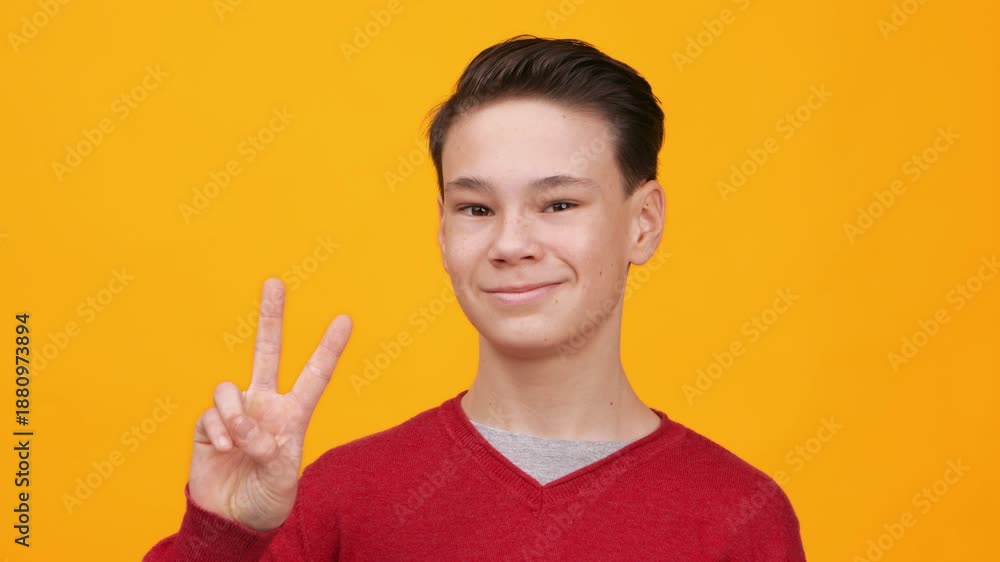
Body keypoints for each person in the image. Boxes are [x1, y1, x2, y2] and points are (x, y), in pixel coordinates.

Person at [144, 35, 806, 561]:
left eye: (559, 203)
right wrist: (220, 536)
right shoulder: (338, 496)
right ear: (442, 230)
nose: (510, 243)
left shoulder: (738, 516)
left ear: (644, 222)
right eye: (476, 209)